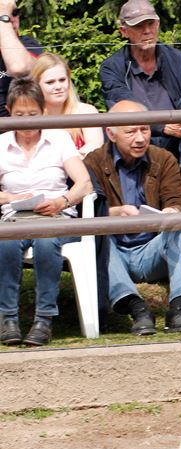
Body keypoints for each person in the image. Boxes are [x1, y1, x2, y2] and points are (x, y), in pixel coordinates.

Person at [82, 100, 181, 336]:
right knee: (98, 239)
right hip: (114, 249)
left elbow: (177, 200)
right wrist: (116, 213)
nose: (140, 138)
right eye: (131, 131)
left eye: (145, 129)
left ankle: (180, 309)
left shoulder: (163, 158)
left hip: (152, 247)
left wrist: (173, 212)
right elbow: (84, 213)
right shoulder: (93, 162)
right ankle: (137, 309)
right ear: (111, 133)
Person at [0, 78, 93, 346]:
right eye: (20, 116)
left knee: (45, 242)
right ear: (9, 112)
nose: (27, 123)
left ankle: (44, 319)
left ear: (43, 112)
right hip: (15, 216)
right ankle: (8, 318)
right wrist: (10, 197)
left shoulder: (59, 138)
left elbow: (84, 183)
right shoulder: (2, 143)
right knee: (6, 243)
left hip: (54, 215)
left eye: (33, 115)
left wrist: (62, 202)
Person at [100, 0, 181, 211]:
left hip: (177, 140)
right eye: (139, 26)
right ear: (124, 31)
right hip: (138, 138)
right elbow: (122, 106)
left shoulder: (180, 59)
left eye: (151, 24)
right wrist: (166, 126)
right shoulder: (111, 67)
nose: (147, 31)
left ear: (158, 25)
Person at [30, 53, 104, 158]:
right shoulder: (31, 118)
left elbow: (95, 148)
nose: (58, 86)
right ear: (36, 85)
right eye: (50, 82)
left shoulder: (86, 111)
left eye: (62, 80)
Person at [0, 0, 42, 117]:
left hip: (17, 129)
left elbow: (18, 67)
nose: (11, 18)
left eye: (14, 12)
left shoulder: (27, 44)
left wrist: (3, 21)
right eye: (4, 14)